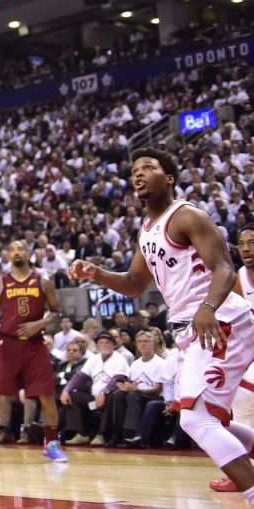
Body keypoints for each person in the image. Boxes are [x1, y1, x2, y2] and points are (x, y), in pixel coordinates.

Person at [69, 148, 254, 504]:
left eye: (149, 168)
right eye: (135, 170)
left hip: (219, 321)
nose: (138, 174)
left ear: (168, 178)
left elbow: (225, 269)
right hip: (191, 329)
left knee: (197, 422)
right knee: (210, 424)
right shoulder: (146, 230)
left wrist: (208, 307)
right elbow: (135, 284)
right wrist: (98, 273)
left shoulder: (187, 216)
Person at [0, 241, 68, 462]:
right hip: (9, 344)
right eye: (12, 250)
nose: (16, 253)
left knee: (46, 395)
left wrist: (39, 324)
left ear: (27, 253)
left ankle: (51, 443)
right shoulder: (0, 283)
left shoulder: (43, 281)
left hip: (35, 344)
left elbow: (56, 313)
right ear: (7, 255)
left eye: (20, 249)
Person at [211, 224, 254, 491]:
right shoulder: (237, 277)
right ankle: (242, 473)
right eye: (243, 243)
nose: (247, 248)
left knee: (243, 397)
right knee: (240, 399)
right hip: (249, 350)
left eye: (253, 242)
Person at [60, 331, 130, 446]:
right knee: (73, 395)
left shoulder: (119, 359)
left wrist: (104, 392)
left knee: (110, 397)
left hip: (110, 398)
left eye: (107, 343)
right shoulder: (94, 359)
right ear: (97, 346)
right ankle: (81, 434)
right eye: (101, 343)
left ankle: (102, 434)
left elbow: (119, 378)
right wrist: (66, 390)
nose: (104, 345)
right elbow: (80, 377)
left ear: (113, 345)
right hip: (94, 399)